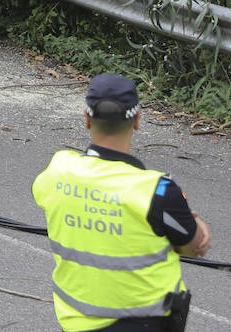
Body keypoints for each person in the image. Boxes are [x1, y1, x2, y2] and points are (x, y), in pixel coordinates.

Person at [33, 74, 212, 332]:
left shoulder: (58, 170)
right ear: (137, 120)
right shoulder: (159, 192)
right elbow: (195, 246)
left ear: (86, 118)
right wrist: (196, 224)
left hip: (75, 324)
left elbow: (47, 197)